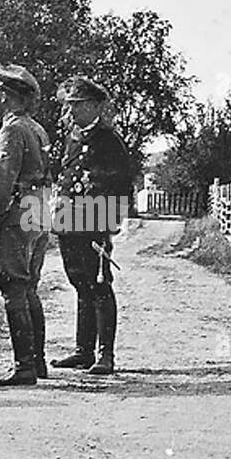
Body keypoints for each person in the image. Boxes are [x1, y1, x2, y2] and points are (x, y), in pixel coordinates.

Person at [50, 76, 134, 375]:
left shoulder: (109, 141)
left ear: (97, 106)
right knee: (80, 284)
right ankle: (83, 351)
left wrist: (109, 225)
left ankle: (106, 354)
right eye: (69, 105)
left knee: (99, 285)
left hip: (94, 223)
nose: (71, 111)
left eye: (78, 105)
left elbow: (123, 186)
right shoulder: (73, 138)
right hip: (69, 223)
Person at [0, 63, 51, 387]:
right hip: (38, 209)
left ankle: (24, 367)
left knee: (13, 287)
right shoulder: (36, 128)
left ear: (6, 97)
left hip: (18, 211)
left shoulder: (11, 130)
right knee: (29, 287)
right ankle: (37, 362)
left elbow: (3, 179)